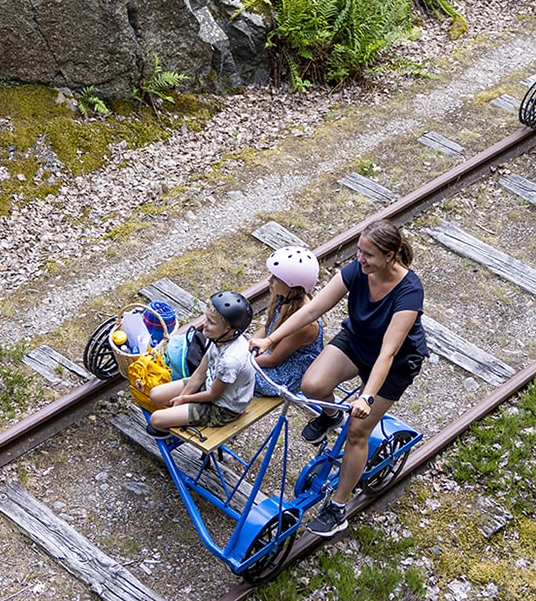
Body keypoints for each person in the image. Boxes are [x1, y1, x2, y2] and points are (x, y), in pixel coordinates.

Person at [250, 220, 427, 538]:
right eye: (359, 251)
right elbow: (311, 310)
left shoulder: (409, 292)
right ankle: (331, 417)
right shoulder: (358, 270)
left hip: (395, 362)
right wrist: (270, 339)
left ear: (390, 256)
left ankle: (338, 507)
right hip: (357, 341)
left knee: (358, 433)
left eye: (368, 255)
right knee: (312, 385)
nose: (360, 259)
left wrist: (366, 396)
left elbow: (388, 352)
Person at [145, 290, 256, 435]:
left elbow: (213, 395)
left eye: (211, 322)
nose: (204, 324)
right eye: (206, 318)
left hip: (222, 407)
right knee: (155, 394)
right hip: (209, 385)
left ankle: (175, 431)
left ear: (229, 330)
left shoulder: (230, 361)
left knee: (156, 419)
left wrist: (184, 398)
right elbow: (199, 374)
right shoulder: (218, 338)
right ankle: (179, 417)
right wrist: (181, 400)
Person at [253, 246, 324, 393]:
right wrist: (245, 348)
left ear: (292, 286)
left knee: (234, 377)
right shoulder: (284, 297)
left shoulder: (305, 324)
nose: (269, 280)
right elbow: (268, 328)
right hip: (274, 355)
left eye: (276, 278)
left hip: (287, 371)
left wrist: (242, 362)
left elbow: (273, 360)